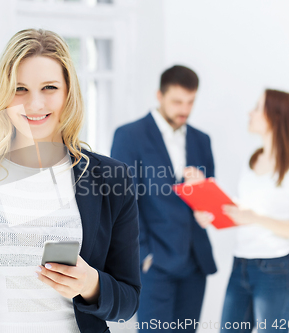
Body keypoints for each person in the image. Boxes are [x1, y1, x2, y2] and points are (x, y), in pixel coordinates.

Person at [0, 28, 141, 333]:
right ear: (3, 94)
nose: (34, 104)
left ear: (68, 93)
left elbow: (128, 301)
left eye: (49, 87)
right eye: (20, 89)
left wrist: (91, 284)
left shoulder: (110, 179)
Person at [194, 89, 289, 333]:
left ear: (276, 117)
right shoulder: (253, 159)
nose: (250, 112)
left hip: (274, 272)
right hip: (240, 266)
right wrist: (210, 210)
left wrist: (255, 218)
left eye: (258, 107)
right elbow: (243, 213)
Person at [111, 65, 217, 332]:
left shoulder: (201, 140)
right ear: (159, 96)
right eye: (177, 101)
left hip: (195, 263)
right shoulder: (129, 136)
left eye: (191, 101)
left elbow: (209, 203)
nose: (185, 109)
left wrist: (203, 195)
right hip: (154, 266)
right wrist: (144, 256)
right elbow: (124, 203)